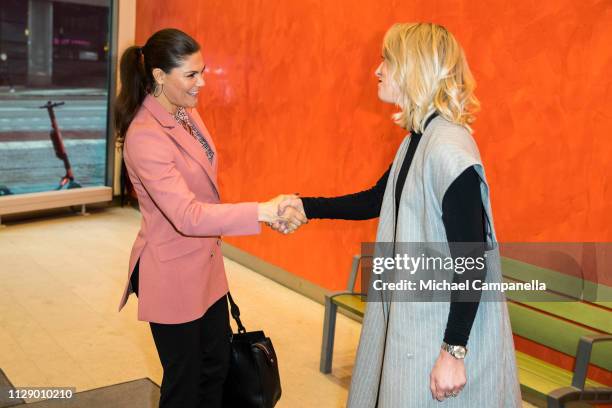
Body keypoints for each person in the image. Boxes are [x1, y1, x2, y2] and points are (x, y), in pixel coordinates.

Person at [275, 23, 521, 407]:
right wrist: (308, 207)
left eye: (386, 60)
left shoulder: (448, 150)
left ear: (414, 68)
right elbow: (378, 199)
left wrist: (453, 352)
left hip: (441, 328)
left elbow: (472, 263)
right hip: (417, 320)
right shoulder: (417, 139)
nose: (377, 70)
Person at [114, 28, 305, 408]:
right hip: (172, 275)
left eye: (203, 71)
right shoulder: (145, 136)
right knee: (184, 384)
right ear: (157, 76)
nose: (202, 82)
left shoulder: (185, 112)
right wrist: (263, 212)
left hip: (206, 266)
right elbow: (186, 215)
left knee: (216, 367)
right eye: (191, 74)